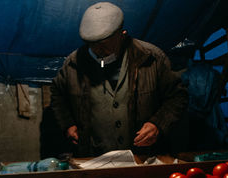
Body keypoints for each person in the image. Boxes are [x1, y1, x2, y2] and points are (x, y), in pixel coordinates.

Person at [50, 2, 188, 157]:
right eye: (92, 45)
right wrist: (67, 124)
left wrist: (158, 124)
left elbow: (177, 96)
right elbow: (57, 95)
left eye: (104, 45)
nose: (98, 51)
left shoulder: (152, 58)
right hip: (94, 156)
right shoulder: (73, 64)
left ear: (122, 35)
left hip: (142, 156)